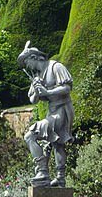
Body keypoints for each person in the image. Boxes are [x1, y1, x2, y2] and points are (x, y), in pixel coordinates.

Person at [18, 41, 74, 187]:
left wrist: (48, 92)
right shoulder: (38, 75)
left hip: (62, 109)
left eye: (27, 61)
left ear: (35, 57)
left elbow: (67, 87)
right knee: (57, 144)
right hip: (52, 111)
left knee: (31, 135)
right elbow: (32, 99)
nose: (27, 66)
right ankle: (60, 177)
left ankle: (42, 171)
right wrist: (37, 90)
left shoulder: (55, 67)